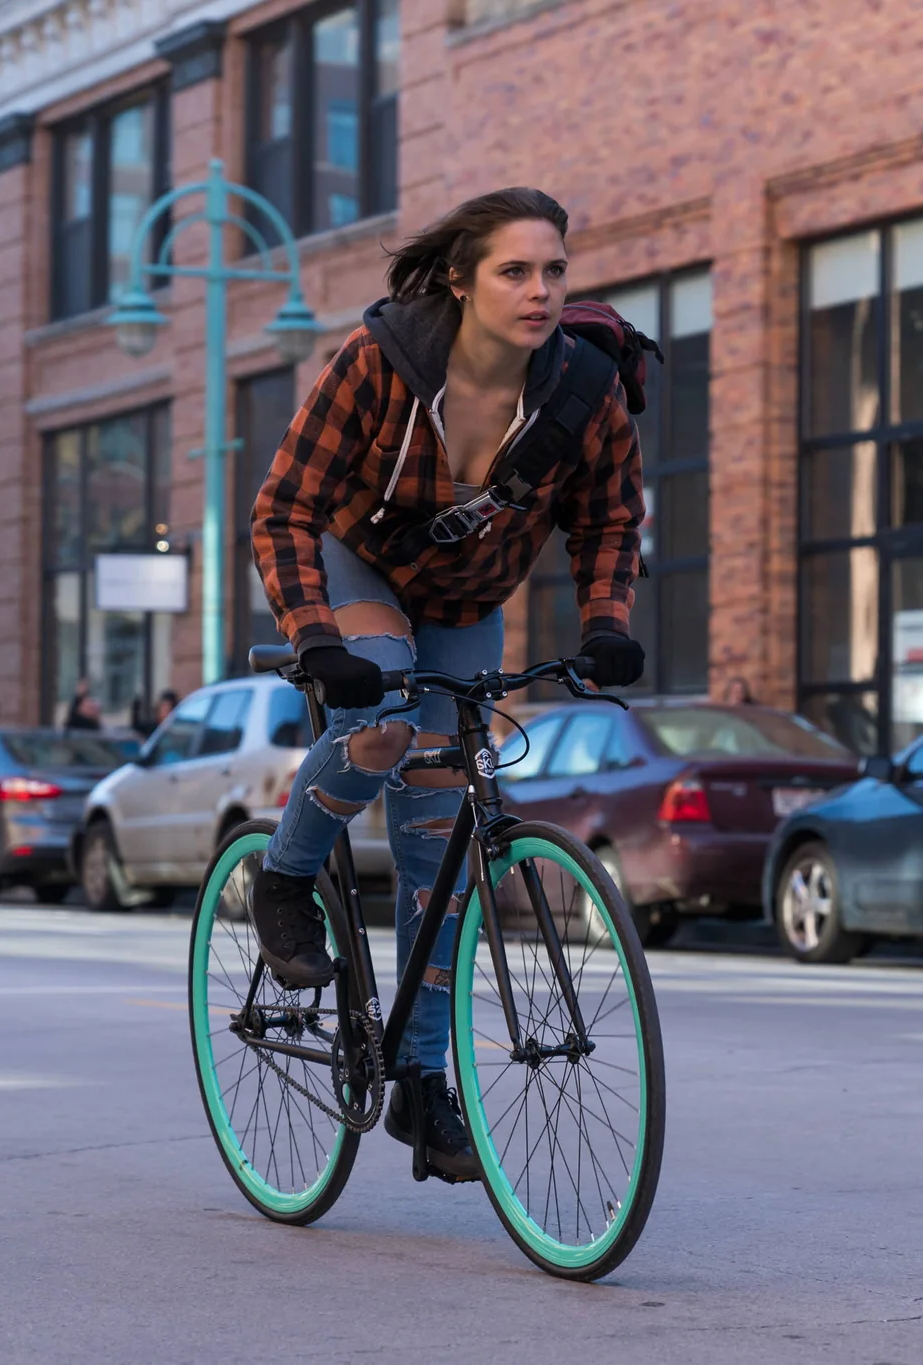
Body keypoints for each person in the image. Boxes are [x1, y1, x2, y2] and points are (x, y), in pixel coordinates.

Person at [250, 187, 645, 1182]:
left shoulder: (584, 388)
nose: (541, 290)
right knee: (378, 715)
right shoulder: (380, 361)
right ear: (462, 282)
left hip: (468, 599)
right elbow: (283, 509)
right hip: (361, 567)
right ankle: (286, 879)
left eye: (554, 269)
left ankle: (423, 1082)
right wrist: (315, 638)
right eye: (515, 271)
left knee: (445, 847)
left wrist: (606, 624)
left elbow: (608, 521)